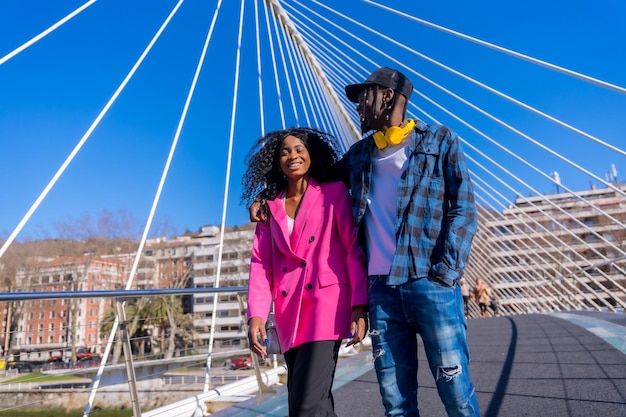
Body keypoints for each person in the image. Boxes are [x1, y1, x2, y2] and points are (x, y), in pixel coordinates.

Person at [250, 67, 480, 416]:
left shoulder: (440, 141)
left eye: (363, 98)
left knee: (454, 388)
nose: (357, 107)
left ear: (387, 96)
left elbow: (463, 208)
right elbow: (308, 177)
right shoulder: (359, 156)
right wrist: (265, 197)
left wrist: (446, 272)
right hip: (381, 291)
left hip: (430, 284)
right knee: (395, 400)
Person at [242, 127, 368, 417]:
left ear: (312, 155)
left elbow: (352, 250)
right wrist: (257, 315)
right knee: (310, 404)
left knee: (306, 406)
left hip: (327, 306)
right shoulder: (269, 208)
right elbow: (261, 264)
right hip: (289, 312)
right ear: (277, 162)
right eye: (284, 152)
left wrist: (359, 305)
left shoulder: (334, 193)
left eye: (299, 149)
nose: (292, 155)